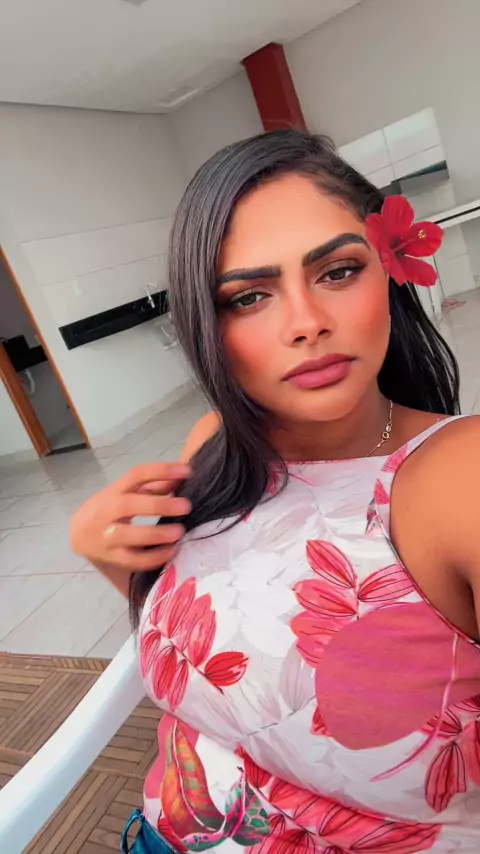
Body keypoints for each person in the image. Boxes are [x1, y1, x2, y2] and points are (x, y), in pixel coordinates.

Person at [70, 130, 480, 854]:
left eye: (338, 272)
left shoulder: (458, 478)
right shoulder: (214, 447)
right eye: (250, 296)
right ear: (207, 325)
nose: (306, 323)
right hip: (156, 832)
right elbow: (213, 636)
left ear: (389, 273)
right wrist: (119, 563)